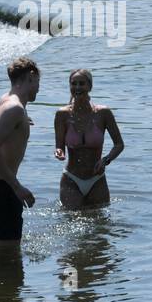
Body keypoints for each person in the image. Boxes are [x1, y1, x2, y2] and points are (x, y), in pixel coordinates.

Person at [0, 57, 40, 244]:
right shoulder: (15, 109)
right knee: (9, 256)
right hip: (1, 188)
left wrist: (14, 123)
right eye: (38, 82)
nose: (38, 88)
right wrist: (17, 187)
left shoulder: (7, 100)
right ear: (30, 76)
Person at [54, 68, 123, 210]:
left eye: (82, 84)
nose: (77, 87)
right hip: (71, 179)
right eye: (74, 84)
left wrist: (106, 160)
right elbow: (59, 146)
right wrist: (59, 152)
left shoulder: (104, 113)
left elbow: (119, 144)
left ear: (90, 87)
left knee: (101, 226)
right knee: (71, 223)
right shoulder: (62, 115)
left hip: (97, 179)